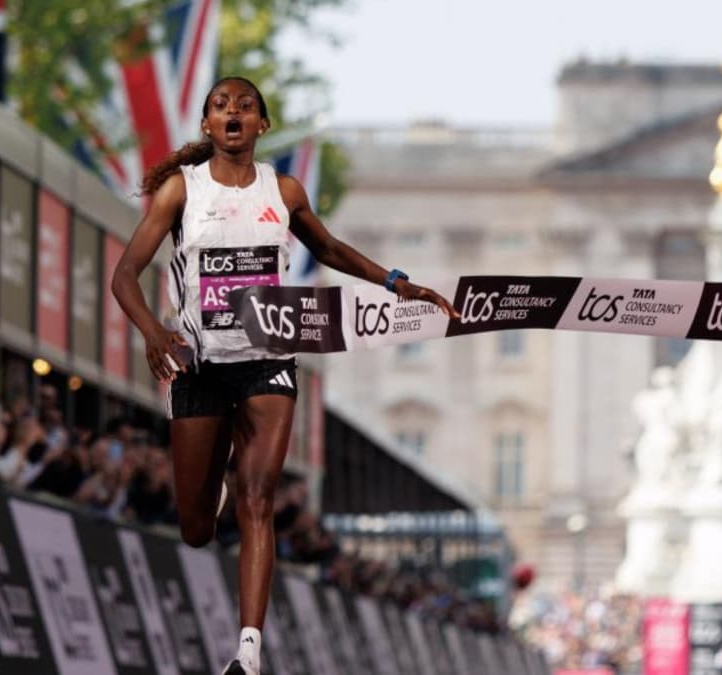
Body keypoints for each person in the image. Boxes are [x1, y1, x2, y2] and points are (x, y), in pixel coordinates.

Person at [111, 76, 458, 675]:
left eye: (245, 106)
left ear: (262, 125)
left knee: (259, 498)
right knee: (196, 527)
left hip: (268, 358)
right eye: (221, 107)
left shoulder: (283, 189)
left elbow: (328, 248)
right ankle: (209, 490)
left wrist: (397, 283)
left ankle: (248, 649)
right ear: (207, 126)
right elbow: (124, 275)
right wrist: (152, 332)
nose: (233, 113)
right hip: (199, 363)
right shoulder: (180, 192)